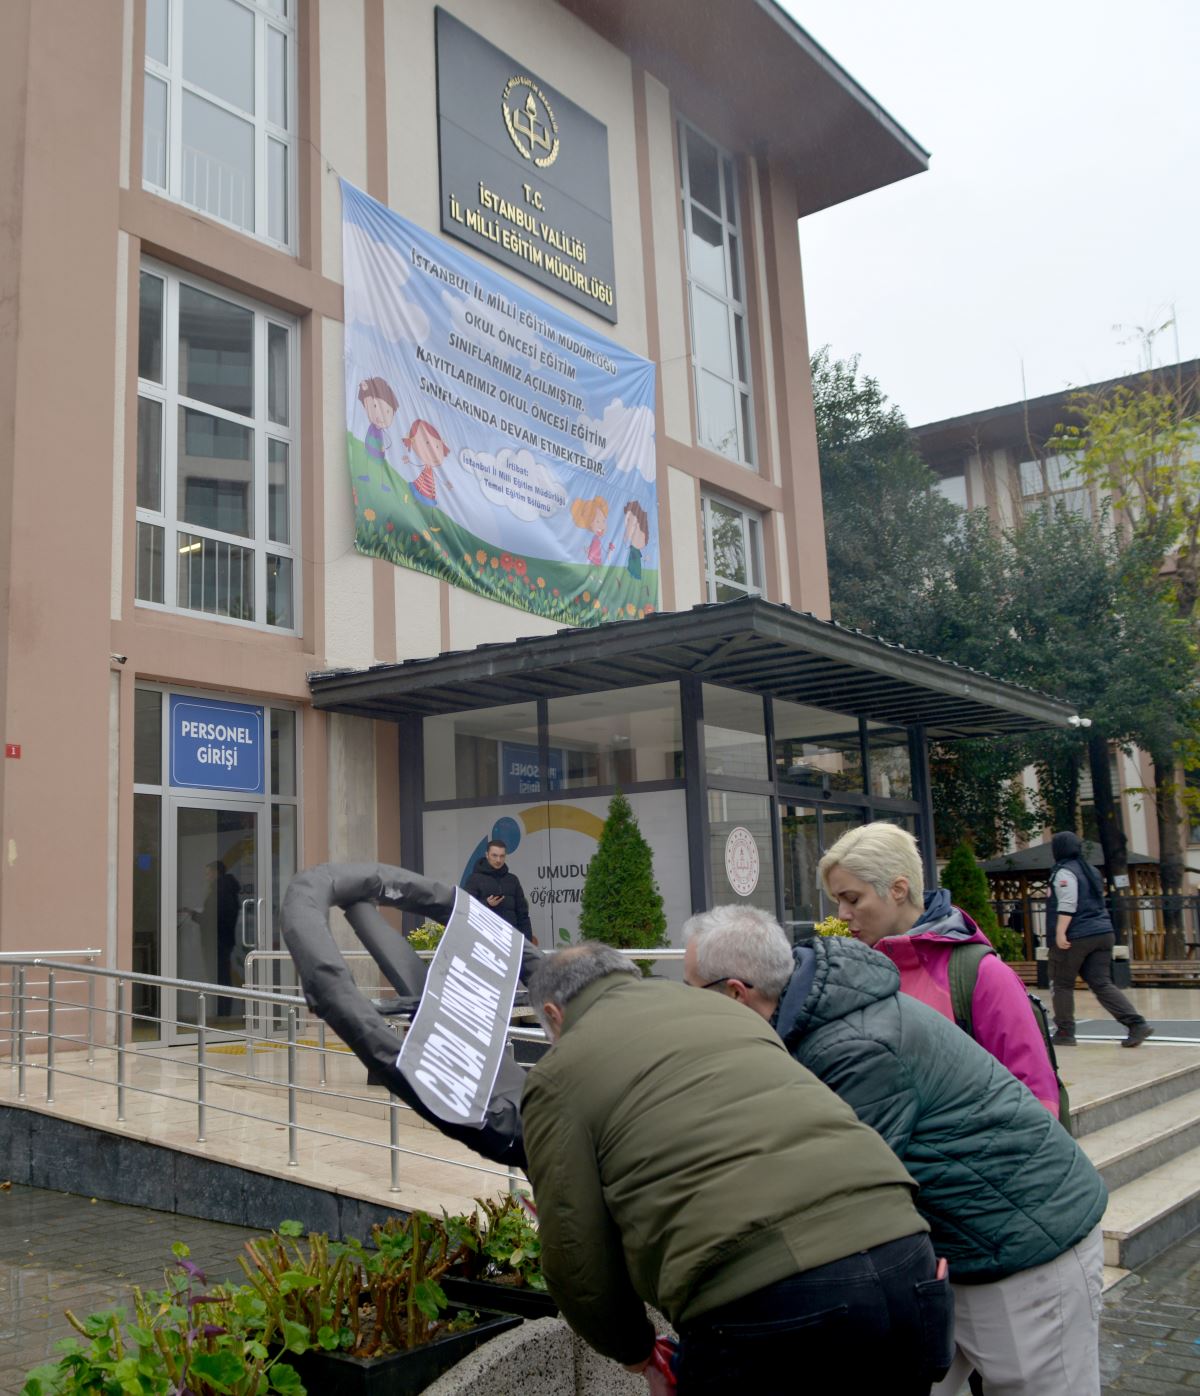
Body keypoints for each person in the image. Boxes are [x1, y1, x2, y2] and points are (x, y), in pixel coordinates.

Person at [683, 906, 1108, 1396]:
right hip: (959, 1247)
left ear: (737, 992)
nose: (688, 1008)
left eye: (693, 991)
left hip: (1027, 1246)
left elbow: (837, 1189)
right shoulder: (817, 1017)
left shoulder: (854, 1045)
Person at [522, 943, 953, 1396]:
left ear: (553, 1014)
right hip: (906, 1254)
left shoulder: (559, 1072)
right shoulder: (726, 1010)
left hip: (764, 1294)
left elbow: (575, 1252)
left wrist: (635, 1352)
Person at [817, 822, 1060, 1113]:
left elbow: (1037, 1100)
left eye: (853, 899)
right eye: (838, 900)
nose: (842, 914)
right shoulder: (852, 975)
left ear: (898, 889)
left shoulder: (981, 974)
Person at [1047, 829, 1152, 1047]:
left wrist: (1060, 932)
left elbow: (1068, 903)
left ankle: (1065, 1032)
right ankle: (1136, 1024)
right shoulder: (1091, 870)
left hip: (1076, 934)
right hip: (1103, 932)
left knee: (1062, 983)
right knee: (1101, 982)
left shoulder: (1064, 872)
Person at [464, 839, 533, 941]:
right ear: (487, 855)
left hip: (510, 938)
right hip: (485, 937)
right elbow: (466, 907)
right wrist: (486, 904)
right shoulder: (474, 879)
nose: (498, 860)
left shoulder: (513, 880)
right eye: (494, 855)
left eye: (502, 856)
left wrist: (527, 940)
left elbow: (522, 914)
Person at [202, 859, 241, 1017]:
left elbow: (214, 917)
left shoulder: (221, 891)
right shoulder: (225, 890)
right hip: (223, 940)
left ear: (216, 872)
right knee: (222, 978)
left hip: (218, 941)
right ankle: (222, 1013)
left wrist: (197, 917)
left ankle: (223, 1014)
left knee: (221, 979)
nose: (206, 877)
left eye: (208, 873)